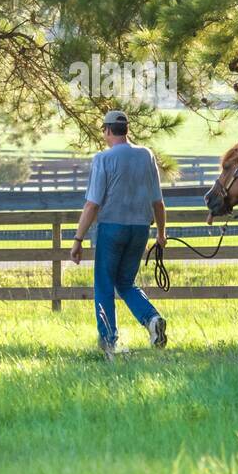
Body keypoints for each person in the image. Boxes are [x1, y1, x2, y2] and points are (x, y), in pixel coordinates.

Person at [69, 110, 168, 356]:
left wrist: (78, 239)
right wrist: (161, 233)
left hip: (112, 227)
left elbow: (92, 204)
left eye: (104, 130)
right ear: (126, 129)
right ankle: (152, 319)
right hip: (140, 229)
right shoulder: (146, 156)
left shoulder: (103, 159)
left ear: (108, 130)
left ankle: (108, 341)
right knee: (125, 282)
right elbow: (158, 201)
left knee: (104, 283)